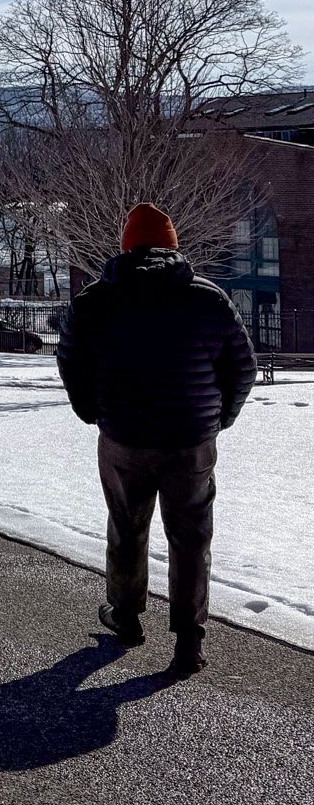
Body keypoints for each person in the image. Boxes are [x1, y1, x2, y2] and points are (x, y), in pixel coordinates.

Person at [56, 203, 255, 676]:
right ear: (173, 244)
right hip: (191, 440)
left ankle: (126, 617)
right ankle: (189, 641)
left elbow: (71, 362)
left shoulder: (93, 301)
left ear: (126, 246)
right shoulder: (209, 299)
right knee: (191, 537)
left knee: (127, 526)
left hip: (123, 435)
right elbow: (242, 367)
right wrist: (218, 418)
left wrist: (90, 411)